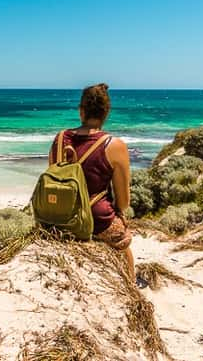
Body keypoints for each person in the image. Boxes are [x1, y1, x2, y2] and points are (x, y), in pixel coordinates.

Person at [48, 83, 135, 280]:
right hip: (96, 219)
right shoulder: (115, 145)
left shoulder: (60, 139)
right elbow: (123, 202)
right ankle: (132, 288)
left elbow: (53, 176)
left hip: (55, 215)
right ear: (106, 113)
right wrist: (118, 213)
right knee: (124, 244)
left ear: (81, 111)